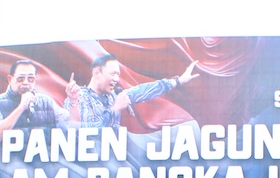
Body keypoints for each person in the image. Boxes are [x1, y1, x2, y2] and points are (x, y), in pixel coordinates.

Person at [65, 53, 200, 129]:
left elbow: (142, 91)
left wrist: (177, 81)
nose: (116, 79)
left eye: (118, 74)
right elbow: (81, 134)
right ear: (97, 73)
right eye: (112, 74)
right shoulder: (78, 98)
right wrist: (116, 108)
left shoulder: (113, 96)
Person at [0, 59, 73, 162]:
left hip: (39, 171)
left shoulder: (45, 101)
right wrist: (21, 107)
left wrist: (74, 101)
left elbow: (71, 124)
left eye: (30, 79)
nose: (25, 83)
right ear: (10, 79)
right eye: (20, 79)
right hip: (5, 171)